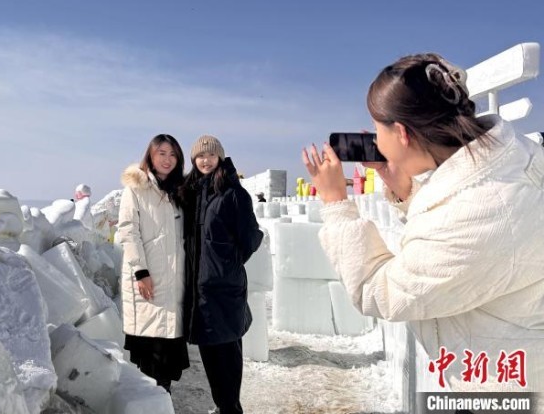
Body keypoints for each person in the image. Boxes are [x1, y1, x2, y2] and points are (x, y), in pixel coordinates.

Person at [302, 53, 544, 393]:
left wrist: (336, 203)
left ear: (401, 133)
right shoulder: (510, 162)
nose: (374, 139)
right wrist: (403, 187)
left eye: (376, 128)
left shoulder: (478, 211)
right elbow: (460, 235)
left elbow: (382, 293)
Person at [180, 135, 264, 414]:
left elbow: (251, 237)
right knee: (211, 360)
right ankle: (224, 408)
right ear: (194, 160)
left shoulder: (233, 194)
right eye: (200, 156)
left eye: (211, 155)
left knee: (227, 360)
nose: (205, 160)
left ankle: (230, 409)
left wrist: (228, 262)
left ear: (219, 158)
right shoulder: (192, 193)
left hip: (224, 291)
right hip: (200, 293)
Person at [117, 134, 189, 393]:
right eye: (162, 153)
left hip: (174, 281)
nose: (167, 159)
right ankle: (151, 404)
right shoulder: (136, 188)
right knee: (150, 354)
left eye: (172, 154)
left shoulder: (180, 190)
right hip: (148, 280)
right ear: (150, 155)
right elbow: (128, 230)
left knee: (168, 355)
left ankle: (161, 402)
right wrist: (141, 271)